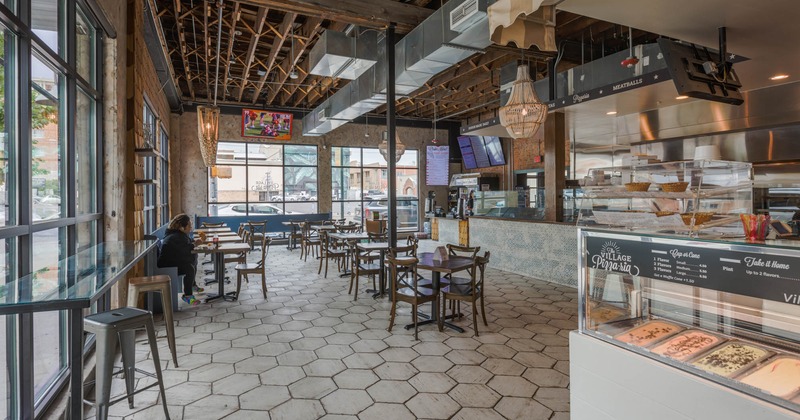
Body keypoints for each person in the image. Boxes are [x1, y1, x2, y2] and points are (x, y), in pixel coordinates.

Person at [158, 214, 204, 306]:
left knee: (193, 259)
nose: (191, 228)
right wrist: (195, 244)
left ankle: (192, 285)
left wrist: (195, 243)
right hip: (166, 265)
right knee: (189, 268)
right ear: (182, 227)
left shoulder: (177, 234)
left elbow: (186, 244)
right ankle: (188, 295)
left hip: (172, 261)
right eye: (189, 225)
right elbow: (185, 249)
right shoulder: (176, 237)